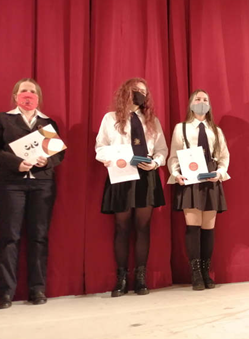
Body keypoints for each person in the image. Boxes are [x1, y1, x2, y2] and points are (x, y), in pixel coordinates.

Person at [0, 79, 66, 309]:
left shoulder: (47, 122)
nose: (28, 94)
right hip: (11, 184)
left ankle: (37, 289)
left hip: (42, 185)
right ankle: (5, 293)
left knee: (39, 237)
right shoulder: (3, 119)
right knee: (9, 237)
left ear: (38, 96)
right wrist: (16, 163)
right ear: (15, 96)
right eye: (24, 91)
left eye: (32, 91)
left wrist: (46, 162)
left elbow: (58, 154)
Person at [95, 77, 168, 296]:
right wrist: (108, 158)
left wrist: (155, 162)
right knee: (122, 227)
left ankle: (141, 278)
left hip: (146, 175)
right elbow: (100, 146)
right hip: (121, 175)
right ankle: (122, 278)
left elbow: (162, 150)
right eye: (136, 90)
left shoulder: (152, 120)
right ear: (125, 92)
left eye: (143, 91)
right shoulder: (110, 118)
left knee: (143, 227)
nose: (140, 94)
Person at [167, 89, 230, 290]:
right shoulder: (181, 128)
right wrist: (176, 174)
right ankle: (195, 273)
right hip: (191, 176)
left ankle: (205, 271)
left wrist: (219, 173)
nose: (201, 102)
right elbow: (174, 156)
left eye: (205, 99)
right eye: (198, 99)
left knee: (208, 228)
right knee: (193, 226)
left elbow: (223, 156)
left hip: (211, 177)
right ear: (191, 104)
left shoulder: (216, 130)